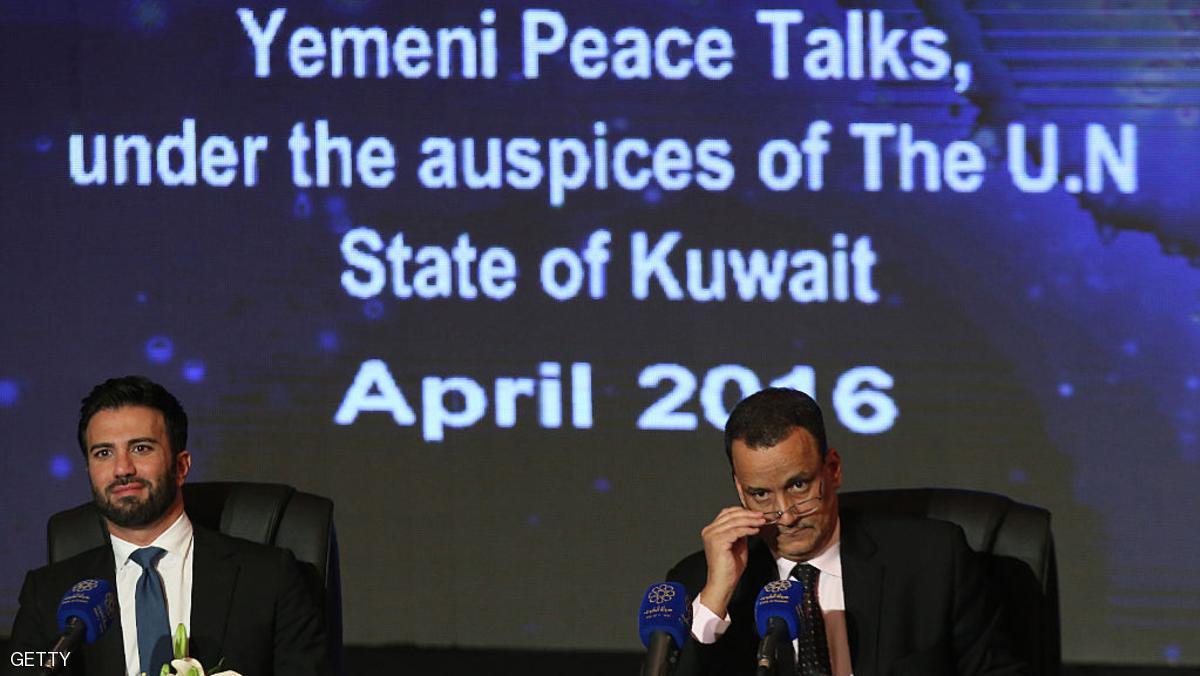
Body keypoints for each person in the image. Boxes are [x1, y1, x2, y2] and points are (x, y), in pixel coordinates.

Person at [666, 388, 1026, 676]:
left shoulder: (933, 560)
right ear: (739, 489)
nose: (786, 516)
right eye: (760, 494)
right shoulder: (702, 583)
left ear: (833, 469)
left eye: (799, 486)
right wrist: (716, 599)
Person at [6, 376, 331, 675]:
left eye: (141, 448)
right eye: (103, 453)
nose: (122, 468)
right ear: (89, 470)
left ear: (181, 466)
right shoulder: (48, 593)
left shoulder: (269, 577)